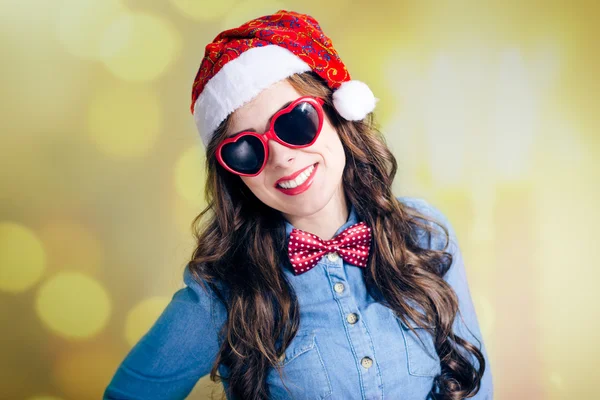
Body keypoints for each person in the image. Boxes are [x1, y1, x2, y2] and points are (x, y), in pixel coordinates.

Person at [104, 9, 493, 400]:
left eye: (294, 123)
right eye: (245, 149)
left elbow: (473, 386)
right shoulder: (224, 290)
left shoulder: (423, 234)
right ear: (233, 174)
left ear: (336, 111)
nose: (281, 158)